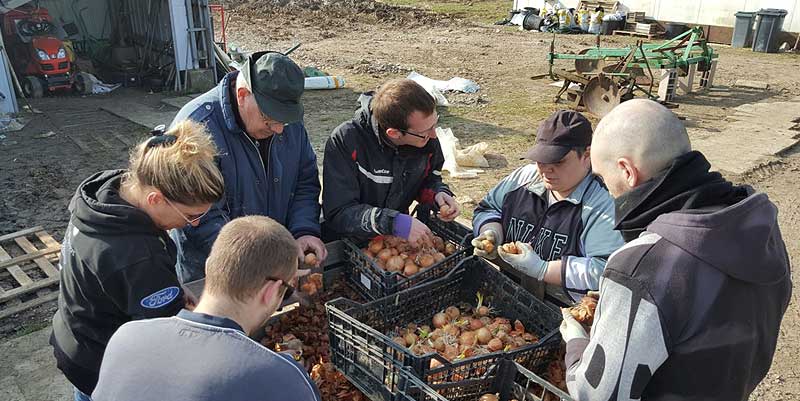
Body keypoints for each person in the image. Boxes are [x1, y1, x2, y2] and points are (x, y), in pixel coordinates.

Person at [560, 99, 792, 401]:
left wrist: (577, 344)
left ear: (627, 172)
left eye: (604, 181)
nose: (609, 192)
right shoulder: (760, 227)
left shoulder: (641, 265)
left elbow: (596, 394)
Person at [50, 120, 225, 401]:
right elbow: (167, 341)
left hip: (76, 337)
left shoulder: (104, 197)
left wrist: (171, 289)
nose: (195, 225)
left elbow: (118, 280)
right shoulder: (139, 258)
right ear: (155, 199)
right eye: (191, 216)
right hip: (105, 367)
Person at [92, 216, 322, 401]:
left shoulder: (126, 337)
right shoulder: (284, 379)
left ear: (210, 266)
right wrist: (281, 370)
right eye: (287, 290)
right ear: (270, 292)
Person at [170, 51, 325, 284]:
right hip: (216, 273)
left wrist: (303, 230)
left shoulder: (286, 122)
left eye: (285, 119)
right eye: (269, 118)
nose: (279, 129)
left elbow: (305, 181)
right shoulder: (197, 128)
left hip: (272, 266)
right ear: (242, 95)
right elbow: (197, 217)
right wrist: (254, 261)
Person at [472, 110, 623, 304]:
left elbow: (605, 270)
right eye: (541, 160)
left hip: (564, 310)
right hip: (510, 289)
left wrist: (543, 269)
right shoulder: (525, 178)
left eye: (558, 161)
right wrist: (491, 234)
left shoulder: (602, 205)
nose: (546, 169)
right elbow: (489, 207)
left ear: (586, 155)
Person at [322, 78, 460, 244]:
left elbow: (429, 179)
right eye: (425, 131)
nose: (434, 135)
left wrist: (438, 194)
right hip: (349, 241)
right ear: (394, 133)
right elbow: (339, 212)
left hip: (397, 240)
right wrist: (393, 222)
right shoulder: (346, 141)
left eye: (434, 123)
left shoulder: (425, 139)